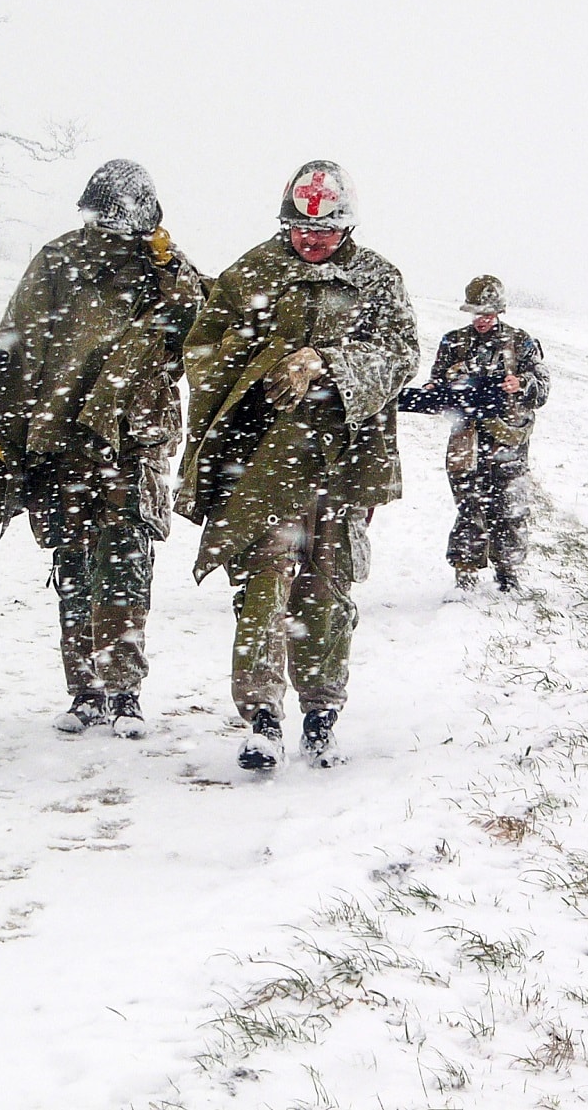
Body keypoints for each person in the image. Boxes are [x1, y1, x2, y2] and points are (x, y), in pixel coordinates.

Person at [177, 160, 419, 770]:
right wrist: (273, 362)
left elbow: (400, 353)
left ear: (347, 226)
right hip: (262, 461)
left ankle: (321, 715)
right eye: (300, 229)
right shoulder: (251, 273)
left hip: (343, 461)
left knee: (327, 588)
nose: (312, 241)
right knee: (264, 581)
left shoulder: (376, 279)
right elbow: (205, 352)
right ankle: (261, 718)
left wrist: (331, 363)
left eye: (326, 231)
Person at [0, 160, 206, 738]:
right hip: (62, 437)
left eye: (122, 217)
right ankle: (85, 693)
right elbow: (19, 339)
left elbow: (198, 320)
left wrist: (166, 260)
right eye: (102, 215)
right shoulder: (57, 258)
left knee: (124, 566)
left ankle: (124, 693)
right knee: (72, 568)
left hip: (132, 439)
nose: (109, 227)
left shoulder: (166, 265)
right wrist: (2, 420)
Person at [410, 275, 549, 594]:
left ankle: (507, 572)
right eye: (476, 313)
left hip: (508, 440)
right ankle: (465, 574)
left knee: (509, 508)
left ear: (499, 311)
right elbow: (437, 381)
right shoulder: (453, 342)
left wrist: (522, 384)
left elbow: (542, 389)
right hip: (466, 439)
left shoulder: (520, 342)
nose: (482, 320)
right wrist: (435, 393)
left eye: (488, 313)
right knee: (469, 507)